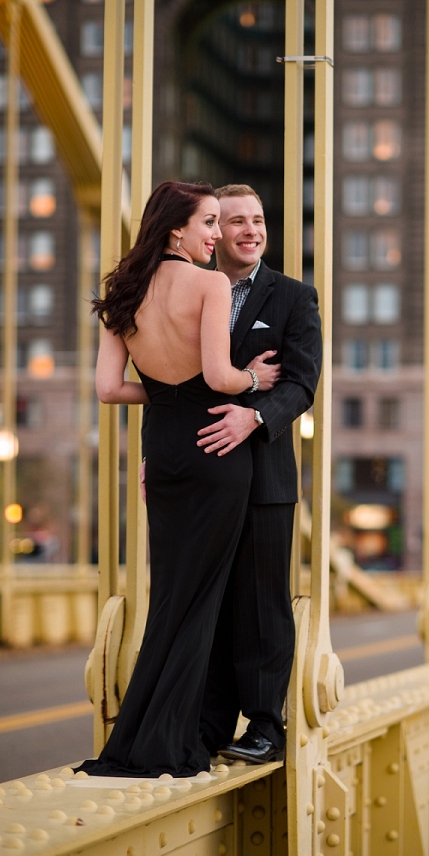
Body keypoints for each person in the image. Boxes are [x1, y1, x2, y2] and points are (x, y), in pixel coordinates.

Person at [76, 180, 279, 777]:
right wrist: (254, 384)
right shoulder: (211, 284)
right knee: (201, 599)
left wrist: (165, 396)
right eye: (210, 223)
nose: (217, 235)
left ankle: (139, 735)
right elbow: (219, 376)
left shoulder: (124, 290)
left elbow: (110, 390)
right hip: (216, 447)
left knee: (170, 595)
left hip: (163, 452)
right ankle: (174, 741)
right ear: (176, 230)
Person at [197, 184, 322, 764]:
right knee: (211, 600)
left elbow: (301, 384)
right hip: (204, 473)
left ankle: (266, 727)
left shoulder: (294, 297)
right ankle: (210, 723)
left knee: (263, 604)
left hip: (266, 479)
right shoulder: (195, 290)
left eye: (258, 220)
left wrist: (255, 415)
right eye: (236, 221)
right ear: (213, 231)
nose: (251, 230)